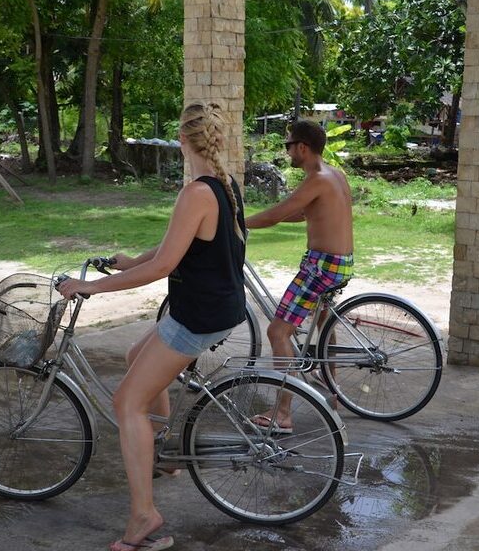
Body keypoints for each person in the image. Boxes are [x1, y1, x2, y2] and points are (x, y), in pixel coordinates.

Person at [58, 102, 246, 551]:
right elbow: (174, 249)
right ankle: (159, 452)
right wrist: (130, 261)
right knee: (133, 357)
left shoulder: (196, 192)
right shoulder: (224, 185)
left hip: (195, 317)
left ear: (183, 140)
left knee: (126, 403)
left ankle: (144, 517)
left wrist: (90, 287)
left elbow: (163, 266)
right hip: (212, 308)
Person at [244, 119, 354, 433]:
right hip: (339, 262)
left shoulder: (316, 178)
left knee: (278, 333)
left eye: (287, 145)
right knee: (323, 322)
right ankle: (331, 393)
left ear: (302, 148)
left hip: (322, 265)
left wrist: (237, 222)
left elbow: (278, 212)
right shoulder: (334, 174)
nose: (287, 150)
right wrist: (261, 219)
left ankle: (282, 415)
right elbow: (304, 212)